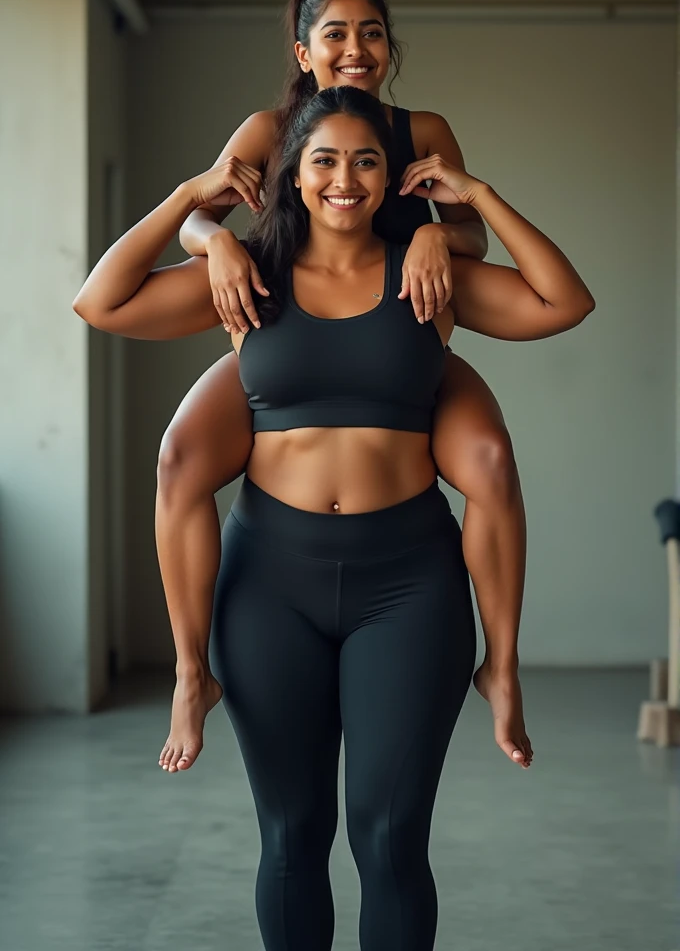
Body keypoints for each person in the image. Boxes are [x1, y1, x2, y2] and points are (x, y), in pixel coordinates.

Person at [73, 85, 594, 951]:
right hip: (269, 583)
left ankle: (499, 671)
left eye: (365, 162)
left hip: (410, 586)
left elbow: (562, 302)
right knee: (291, 842)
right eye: (322, 161)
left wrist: (479, 198)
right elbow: (101, 302)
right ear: (291, 177)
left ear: (393, 180)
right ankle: (187, 675)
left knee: (389, 841)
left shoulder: (430, 278)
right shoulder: (249, 278)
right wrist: (188, 202)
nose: (344, 179)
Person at [154, 0, 532, 776]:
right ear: (304, 50)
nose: (354, 50)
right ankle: (193, 671)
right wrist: (213, 242)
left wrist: (435, 239)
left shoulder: (421, 129)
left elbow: (471, 234)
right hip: (288, 326)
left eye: (371, 34)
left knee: (492, 462)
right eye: (335, 34)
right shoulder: (266, 129)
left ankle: (501, 660)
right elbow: (201, 211)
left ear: (390, 47)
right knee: (180, 457)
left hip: (401, 338)